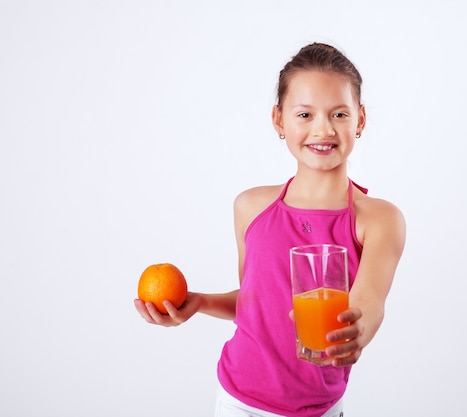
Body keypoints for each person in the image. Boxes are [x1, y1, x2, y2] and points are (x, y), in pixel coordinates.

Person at [134, 42, 406, 417]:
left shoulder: (378, 219)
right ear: (279, 120)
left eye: (339, 114)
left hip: (319, 408)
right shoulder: (251, 207)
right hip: (238, 401)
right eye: (305, 114)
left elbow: (369, 302)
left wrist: (356, 330)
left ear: (359, 120)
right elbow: (254, 300)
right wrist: (199, 302)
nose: (323, 129)